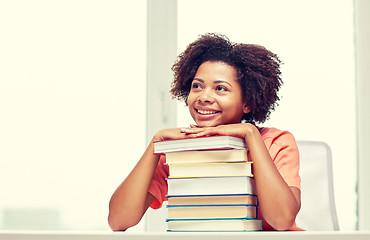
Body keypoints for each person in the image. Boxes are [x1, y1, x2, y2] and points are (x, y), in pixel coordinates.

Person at [108, 33, 302, 231]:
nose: (204, 97)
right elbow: (118, 220)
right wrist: (156, 143)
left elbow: (282, 220)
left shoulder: (276, 142)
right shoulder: (178, 151)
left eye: (220, 88)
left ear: (247, 102)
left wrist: (250, 133)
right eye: (197, 86)